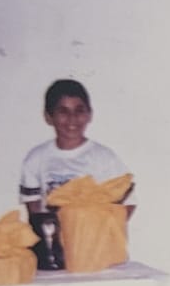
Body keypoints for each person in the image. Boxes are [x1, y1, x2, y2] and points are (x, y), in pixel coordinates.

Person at [19, 79, 131, 212]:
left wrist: (106, 224)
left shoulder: (105, 158)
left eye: (79, 110)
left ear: (89, 114)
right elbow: (33, 209)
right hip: (50, 225)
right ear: (48, 116)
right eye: (63, 111)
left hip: (93, 225)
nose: (72, 118)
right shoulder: (36, 158)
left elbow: (129, 202)